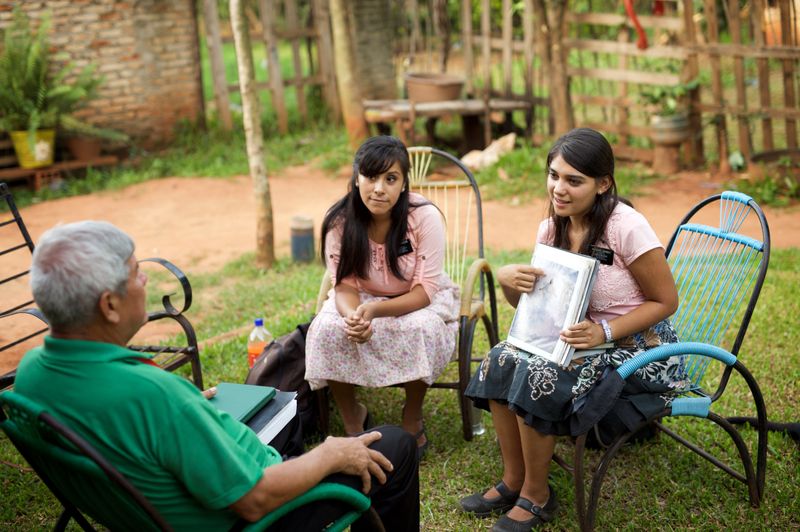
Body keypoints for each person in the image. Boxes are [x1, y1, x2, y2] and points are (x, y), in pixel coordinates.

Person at [13, 221, 419, 531]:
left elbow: (122, 425)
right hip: (256, 517)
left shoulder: (31, 373)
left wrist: (191, 410)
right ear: (110, 306)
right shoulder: (154, 396)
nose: (145, 279)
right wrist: (330, 454)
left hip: (164, 501)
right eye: (135, 272)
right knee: (395, 446)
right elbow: (254, 500)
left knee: (278, 410)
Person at [459, 128, 688, 531]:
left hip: (641, 347)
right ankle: (513, 481)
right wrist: (511, 282)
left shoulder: (626, 227)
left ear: (603, 184)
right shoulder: (552, 228)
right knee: (500, 359)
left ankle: (537, 494)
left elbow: (666, 302)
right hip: (576, 339)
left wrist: (604, 332)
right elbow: (537, 307)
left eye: (573, 180)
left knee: (538, 374)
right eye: (553, 175)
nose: (558, 189)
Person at [305, 135, 460, 456]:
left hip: (416, 298)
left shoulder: (424, 217)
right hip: (360, 296)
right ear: (356, 179)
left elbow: (424, 292)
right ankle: (353, 422)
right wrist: (353, 316)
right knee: (327, 328)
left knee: (422, 328)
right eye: (371, 177)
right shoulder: (340, 222)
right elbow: (344, 285)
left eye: (390, 179)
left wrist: (374, 313)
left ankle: (412, 416)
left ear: (404, 184)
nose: (379, 188)